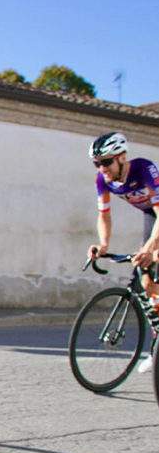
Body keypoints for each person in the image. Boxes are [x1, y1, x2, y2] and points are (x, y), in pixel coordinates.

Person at [86, 132, 159, 373]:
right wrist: (103, 245)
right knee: (146, 281)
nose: (102, 168)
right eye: (98, 163)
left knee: (152, 257)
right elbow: (103, 215)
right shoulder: (103, 180)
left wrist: (149, 249)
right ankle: (157, 350)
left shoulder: (143, 170)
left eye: (107, 162)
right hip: (151, 217)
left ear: (122, 157)